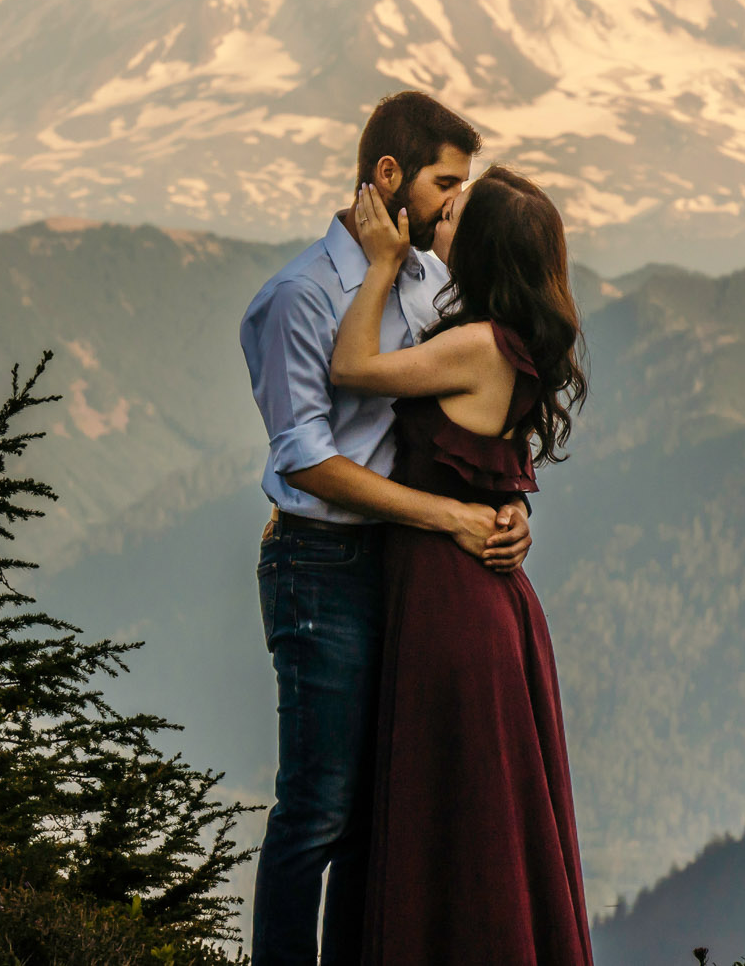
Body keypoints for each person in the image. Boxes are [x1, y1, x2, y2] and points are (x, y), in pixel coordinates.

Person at [239, 91, 534, 966]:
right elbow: (305, 459)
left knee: (380, 807)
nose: (455, 203)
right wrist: (448, 514)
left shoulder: (434, 281)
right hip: (320, 563)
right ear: (390, 176)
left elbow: (468, 419)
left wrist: (507, 503)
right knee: (319, 806)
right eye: (446, 182)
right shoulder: (297, 297)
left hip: (407, 572)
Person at [332, 164, 594, 966]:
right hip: (484, 603)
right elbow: (493, 466)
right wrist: (512, 512)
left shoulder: (474, 345)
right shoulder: (509, 343)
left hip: (451, 606)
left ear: (477, 250)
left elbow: (351, 367)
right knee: (485, 818)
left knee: (452, 813)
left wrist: (379, 265)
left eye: (455, 217)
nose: (440, 219)